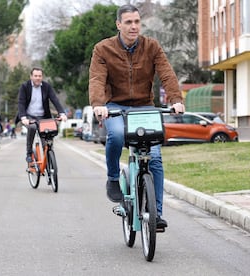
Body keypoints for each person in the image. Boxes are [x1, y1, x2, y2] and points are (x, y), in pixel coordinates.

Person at [88, 4, 185, 229]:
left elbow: (166, 73)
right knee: (117, 135)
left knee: (156, 158)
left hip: (144, 107)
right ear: (118, 24)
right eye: (129, 22)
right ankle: (113, 177)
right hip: (114, 106)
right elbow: (96, 79)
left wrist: (176, 100)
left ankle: (156, 215)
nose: (134, 26)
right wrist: (98, 105)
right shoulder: (103, 49)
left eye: (137, 22)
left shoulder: (152, 47)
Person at [17, 67, 67, 163]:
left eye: (39, 76)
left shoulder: (46, 87)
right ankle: (29, 153)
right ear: (31, 76)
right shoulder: (25, 86)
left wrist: (62, 113)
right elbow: (21, 103)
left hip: (43, 117)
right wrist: (23, 118)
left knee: (47, 139)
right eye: (35, 76)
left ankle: (49, 159)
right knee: (32, 128)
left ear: (42, 77)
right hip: (29, 117)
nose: (38, 78)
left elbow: (55, 100)